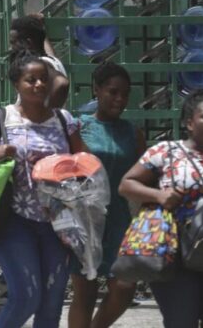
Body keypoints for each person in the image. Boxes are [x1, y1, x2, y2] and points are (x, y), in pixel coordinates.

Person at [0, 51, 86, 328]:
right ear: (17, 84)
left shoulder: (64, 120)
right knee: (26, 296)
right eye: (31, 80)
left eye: (43, 79)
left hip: (58, 223)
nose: (39, 84)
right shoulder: (0, 118)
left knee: (51, 305)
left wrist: (64, 166)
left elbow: (87, 165)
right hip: (13, 221)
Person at [118, 91, 203, 328]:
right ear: (189, 123)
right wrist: (159, 195)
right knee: (181, 321)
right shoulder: (166, 152)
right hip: (174, 254)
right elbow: (126, 184)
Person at [68, 62, 146, 328]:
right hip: (86, 221)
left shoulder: (133, 133)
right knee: (85, 293)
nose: (119, 99)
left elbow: (145, 176)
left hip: (120, 222)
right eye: (113, 92)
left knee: (125, 286)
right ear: (97, 90)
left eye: (124, 94)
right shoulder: (79, 127)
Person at [9, 14, 69, 108]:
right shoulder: (51, 60)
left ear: (28, 43)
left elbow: (61, 83)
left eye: (13, 43)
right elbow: (46, 50)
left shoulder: (40, 65)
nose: (11, 48)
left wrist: (44, 117)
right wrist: (40, 28)